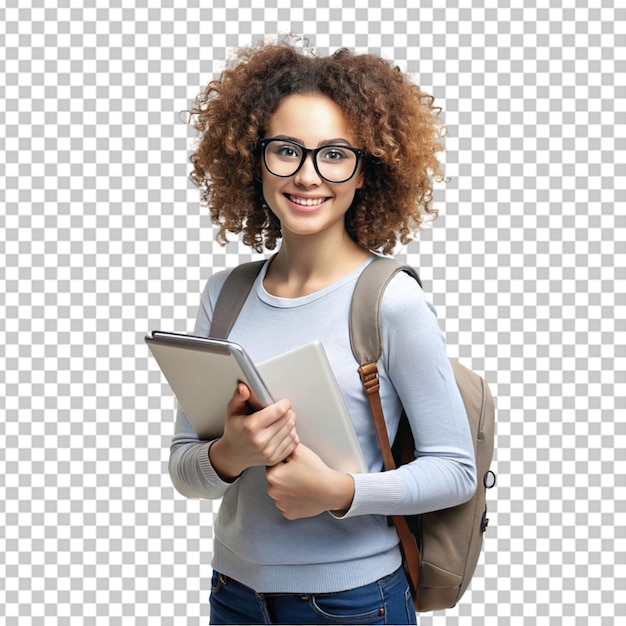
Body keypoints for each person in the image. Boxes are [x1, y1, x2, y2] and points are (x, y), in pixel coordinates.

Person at [169, 38, 477, 625]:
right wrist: (231, 454)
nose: (308, 176)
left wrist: (340, 492)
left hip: (353, 603)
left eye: (335, 154)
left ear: (366, 172)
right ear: (253, 161)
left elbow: (455, 470)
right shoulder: (225, 295)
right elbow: (186, 468)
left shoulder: (389, 300)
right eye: (286, 150)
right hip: (232, 596)